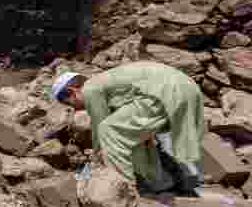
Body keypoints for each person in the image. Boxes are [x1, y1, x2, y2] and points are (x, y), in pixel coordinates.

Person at [51, 61, 205, 194]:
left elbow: (100, 126)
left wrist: (97, 157)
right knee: (129, 136)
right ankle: (160, 182)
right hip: (186, 88)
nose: (77, 109)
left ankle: (125, 190)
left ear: (73, 91)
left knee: (109, 130)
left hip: (167, 90)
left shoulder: (90, 88)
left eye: (70, 103)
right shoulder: (109, 86)